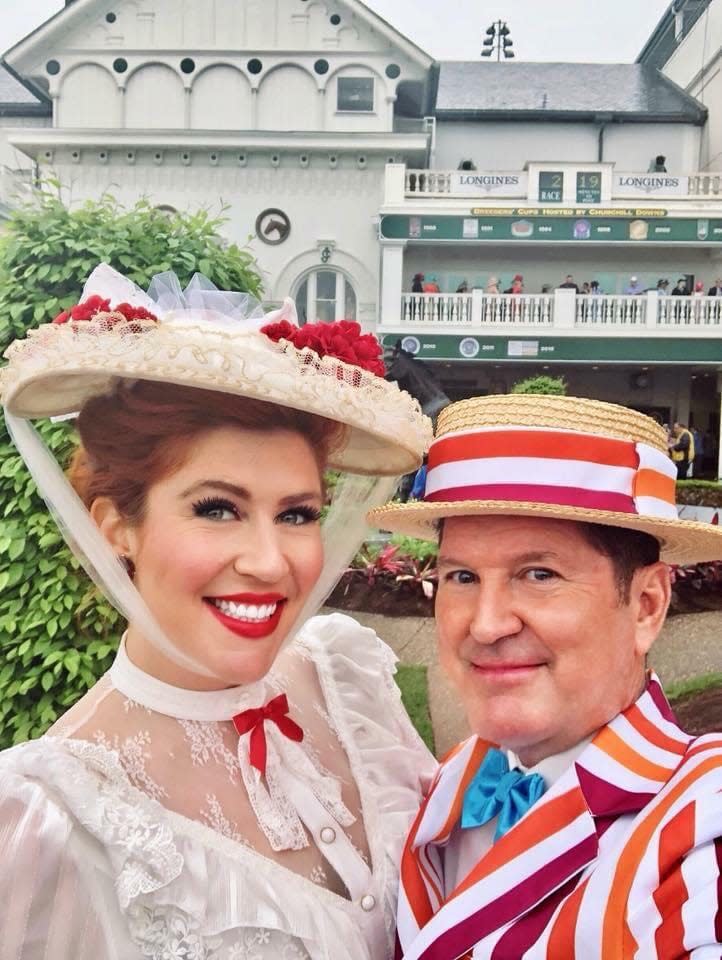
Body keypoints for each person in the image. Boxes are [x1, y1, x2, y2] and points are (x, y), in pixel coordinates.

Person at [0, 264, 437, 958]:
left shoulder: (347, 682)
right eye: (217, 509)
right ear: (116, 527)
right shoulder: (51, 816)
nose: (270, 560)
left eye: (297, 514)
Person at [368, 394, 722, 957]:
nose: (485, 626)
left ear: (647, 605)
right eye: (462, 576)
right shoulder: (448, 784)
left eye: (539, 573)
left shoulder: (702, 821)